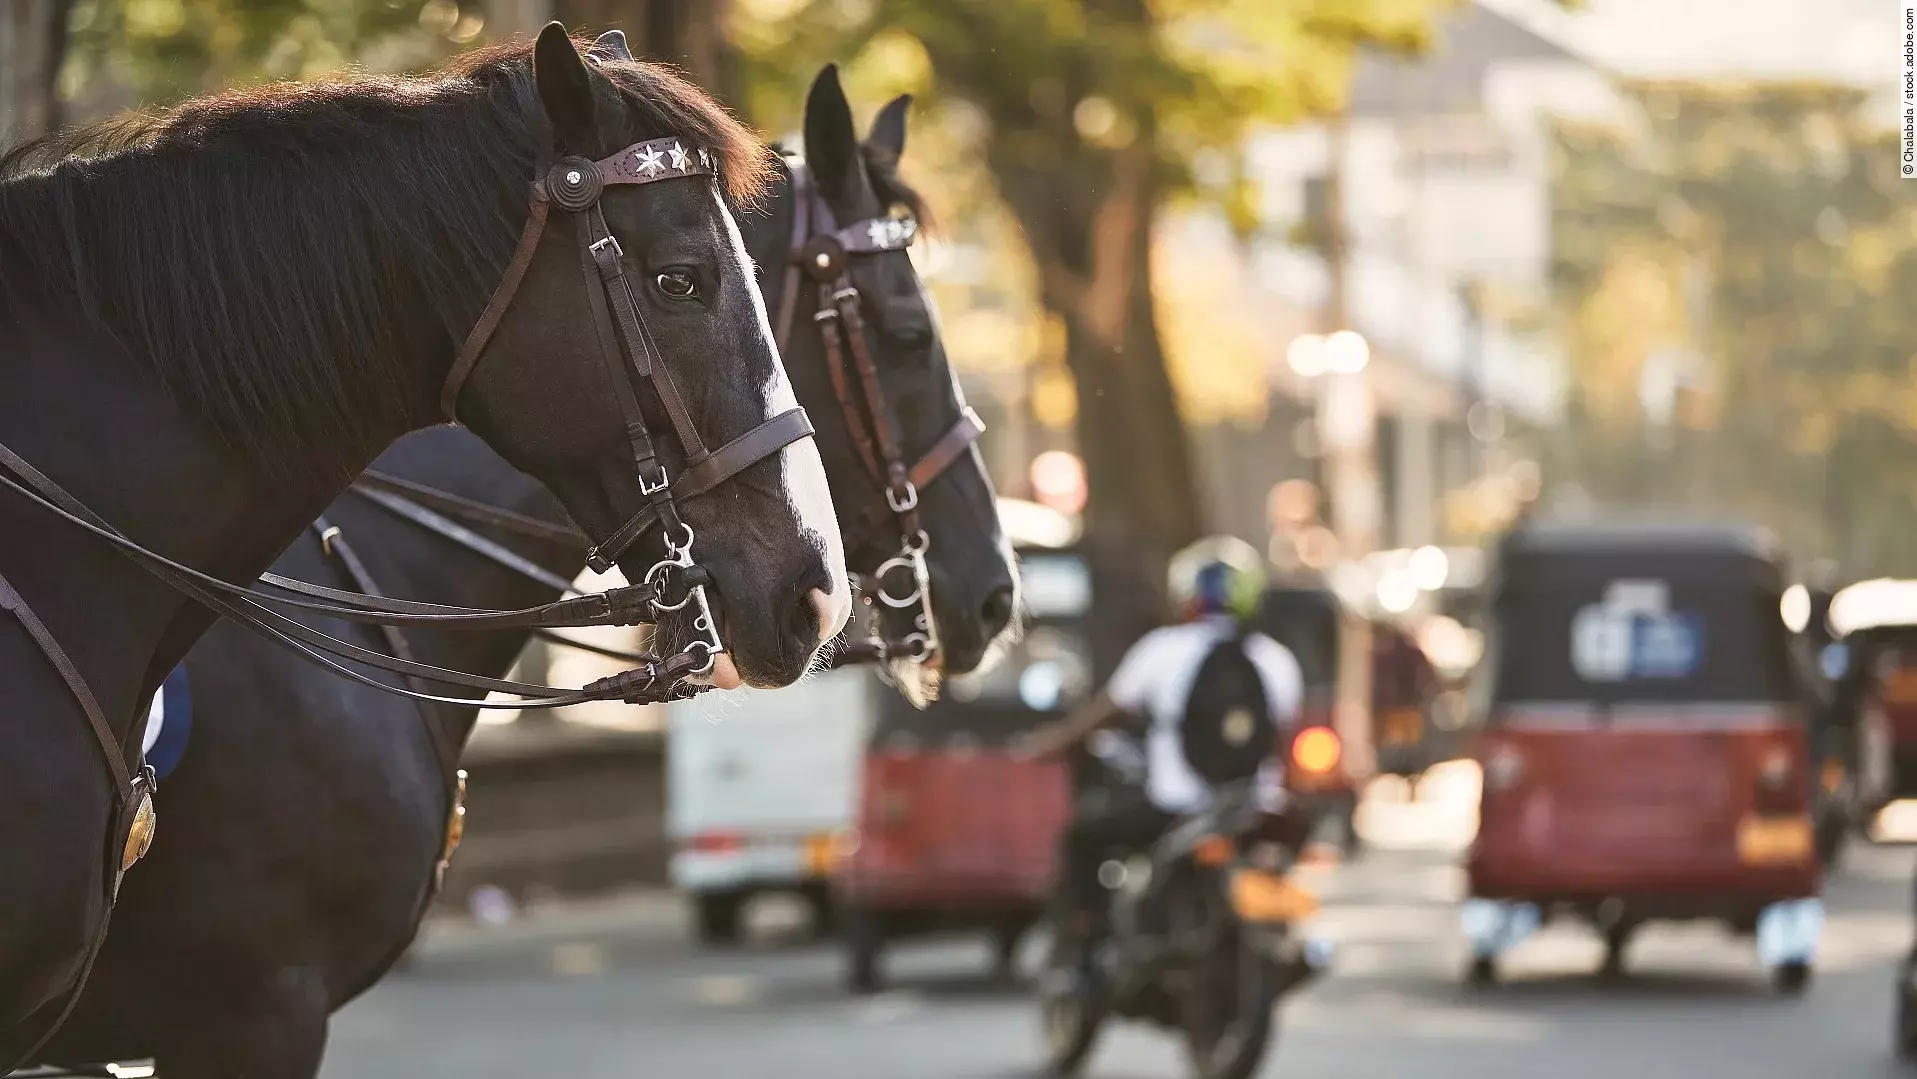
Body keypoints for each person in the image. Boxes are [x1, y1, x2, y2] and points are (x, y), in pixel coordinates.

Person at [1019, 535, 1305, 943]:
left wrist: (1051, 744)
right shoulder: (1276, 659)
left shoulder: (1161, 650)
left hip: (1172, 810)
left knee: (1082, 838)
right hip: (1253, 807)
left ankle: (1083, 947)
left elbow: (1104, 716)